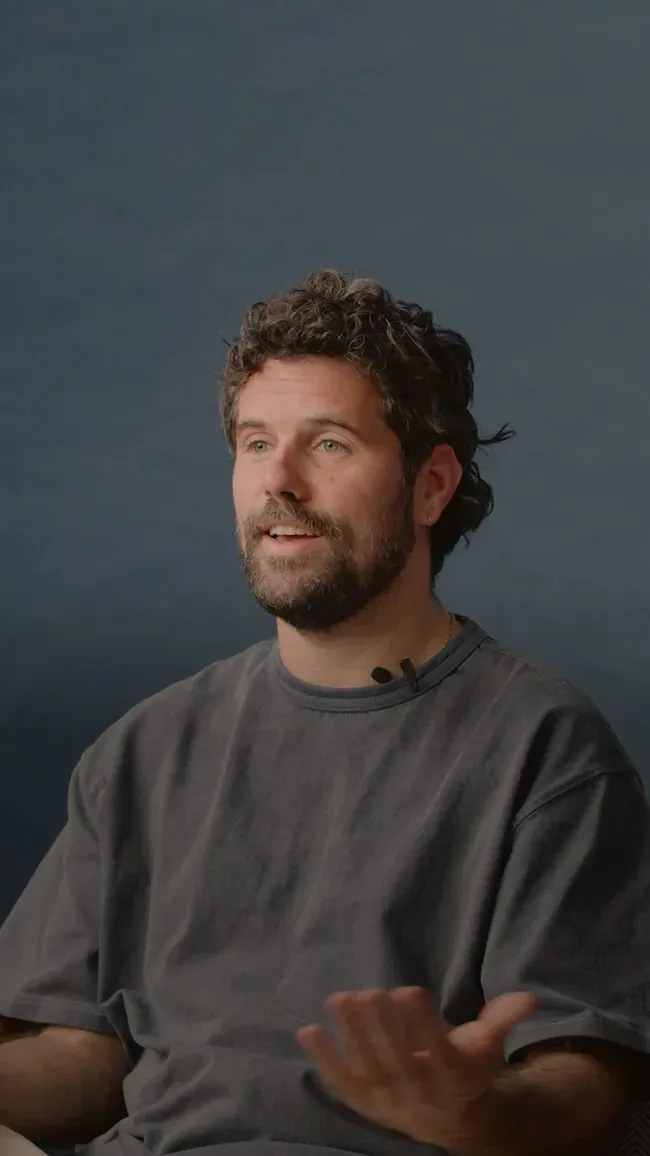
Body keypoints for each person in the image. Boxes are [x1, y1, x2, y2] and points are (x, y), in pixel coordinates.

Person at [0, 269, 648, 1156]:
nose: (281, 482)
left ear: (430, 486)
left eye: (330, 444)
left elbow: (586, 1075)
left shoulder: (544, 750)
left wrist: (480, 1113)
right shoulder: (144, 751)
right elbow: (84, 1051)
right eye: (256, 443)